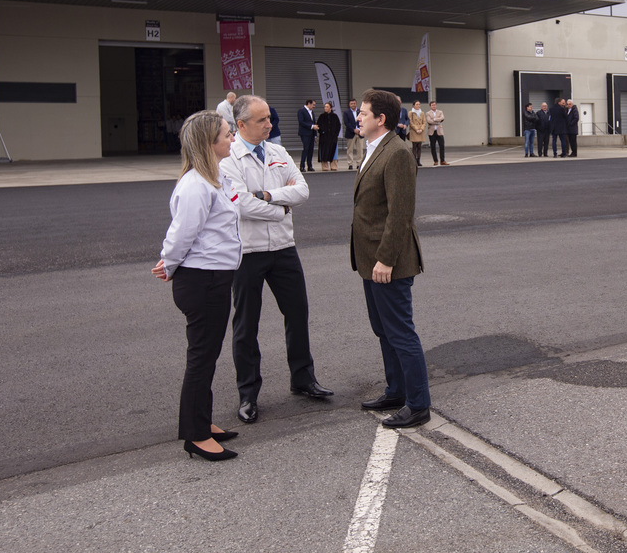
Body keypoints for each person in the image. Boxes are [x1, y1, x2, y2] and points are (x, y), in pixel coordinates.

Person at [220, 96, 333, 426]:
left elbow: (303, 190)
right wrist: (282, 207)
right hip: (248, 252)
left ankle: (303, 378)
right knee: (246, 325)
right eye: (261, 120)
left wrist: (269, 196)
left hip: (284, 248)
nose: (270, 124)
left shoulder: (278, 152)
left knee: (297, 313)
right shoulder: (229, 160)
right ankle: (248, 394)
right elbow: (240, 205)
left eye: (269, 118)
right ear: (241, 125)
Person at [152, 110, 242, 461]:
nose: (231, 138)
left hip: (216, 277)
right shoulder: (195, 185)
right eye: (226, 134)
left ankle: (203, 421)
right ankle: (195, 435)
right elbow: (181, 235)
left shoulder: (216, 178)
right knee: (202, 358)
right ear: (209, 142)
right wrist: (169, 264)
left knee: (208, 354)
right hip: (201, 280)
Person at [352, 89, 431, 428]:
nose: (357, 117)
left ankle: (418, 404)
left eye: (363, 113)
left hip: (388, 262)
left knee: (400, 333)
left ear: (380, 119)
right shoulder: (374, 149)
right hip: (370, 260)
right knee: (383, 329)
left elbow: (400, 214)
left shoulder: (397, 153)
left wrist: (385, 259)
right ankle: (396, 390)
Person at [317, 101, 342, 171]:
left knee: (333, 151)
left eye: (327, 107)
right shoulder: (321, 116)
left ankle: (333, 165)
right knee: (324, 151)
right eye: (325, 107)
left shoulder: (335, 116)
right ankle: (325, 166)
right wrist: (322, 131)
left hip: (332, 137)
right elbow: (318, 125)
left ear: (330, 108)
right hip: (324, 137)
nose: (325, 108)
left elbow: (338, 126)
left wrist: (336, 134)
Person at [297, 99, 317, 172]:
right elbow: (301, 122)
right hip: (305, 133)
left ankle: (310, 165)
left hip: (311, 133)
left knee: (311, 150)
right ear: (309, 104)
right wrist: (311, 126)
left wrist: (315, 135)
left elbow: (314, 122)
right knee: (306, 148)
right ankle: (302, 166)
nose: (314, 106)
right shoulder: (301, 111)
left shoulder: (312, 112)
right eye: (313, 105)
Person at [426, 101, 448, 165]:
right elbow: (429, 121)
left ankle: (442, 160)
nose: (434, 106)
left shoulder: (440, 112)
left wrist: (434, 119)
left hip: (439, 131)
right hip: (432, 132)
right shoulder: (428, 113)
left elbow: (442, 118)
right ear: (430, 106)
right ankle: (435, 161)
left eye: (435, 105)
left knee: (442, 145)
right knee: (433, 146)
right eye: (432, 105)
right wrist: (437, 121)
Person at [343, 98, 362, 170]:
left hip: (360, 133)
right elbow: (346, 122)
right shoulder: (346, 112)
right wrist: (353, 130)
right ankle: (350, 163)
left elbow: (363, 120)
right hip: (351, 133)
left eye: (354, 103)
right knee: (350, 149)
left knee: (360, 149)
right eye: (351, 104)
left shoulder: (360, 111)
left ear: (356, 104)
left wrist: (359, 129)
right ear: (349, 105)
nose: (353, 105)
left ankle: (359, 163)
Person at [407, 100, 426, 166]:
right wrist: (416, 129)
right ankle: (414, 160)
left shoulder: (422, 113)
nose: (418, 105)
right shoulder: (411, 112)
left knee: (419, 146)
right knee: (414, 146)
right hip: (414, 131)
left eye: (419, 104)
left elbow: (424, 122)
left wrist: (421, 129)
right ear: (413, 105)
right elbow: (410, 122)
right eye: (417, 104)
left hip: (421, 131)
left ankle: (418, 160)